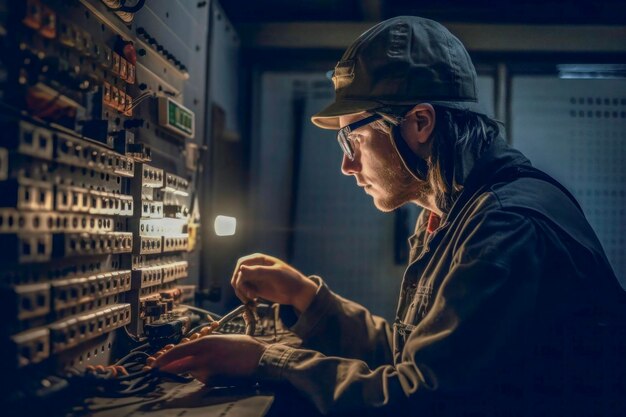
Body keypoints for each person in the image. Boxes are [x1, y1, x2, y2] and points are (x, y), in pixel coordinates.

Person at [153, 16, 626, 416]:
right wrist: (311, 300)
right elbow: (416, 356)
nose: (347, 164)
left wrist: (266, 361)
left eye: (353, 140)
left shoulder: (506, 226)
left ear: (420, 122)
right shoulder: (448, 213)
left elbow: (421, 398)